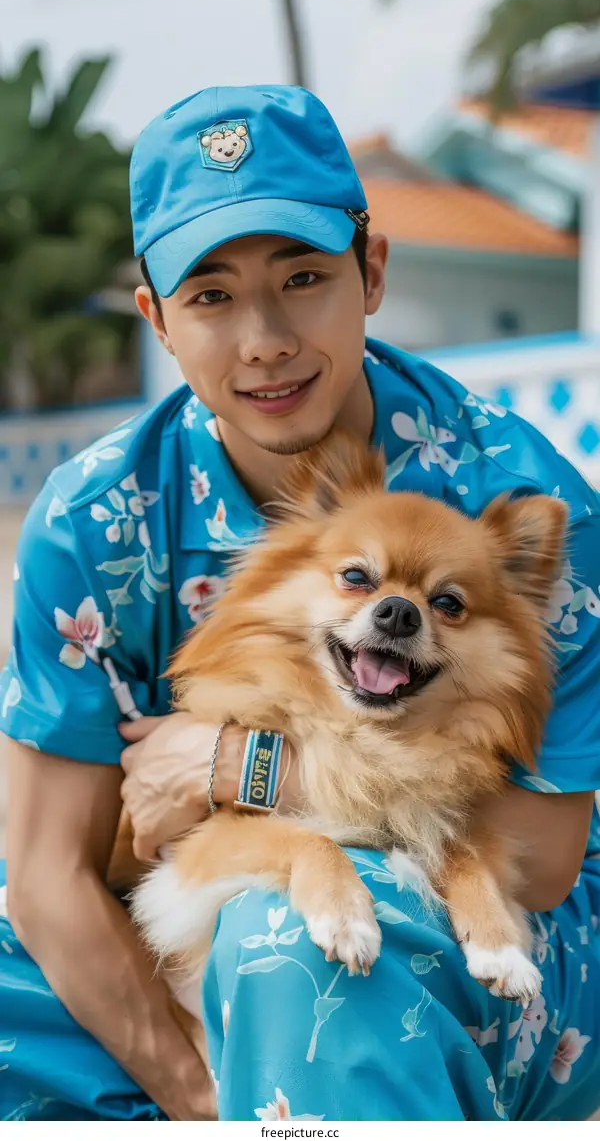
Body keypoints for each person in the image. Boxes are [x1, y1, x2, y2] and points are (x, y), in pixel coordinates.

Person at [0, 84, 599, 1123]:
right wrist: (199, 1090)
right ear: (158, 317)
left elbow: (542, 858)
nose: (264, 338)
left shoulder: (519, 490)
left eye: (304, 277)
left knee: (286, 955)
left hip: (476, 906)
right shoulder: (92, 519)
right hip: (198, 903)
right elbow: (51, 870)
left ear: (371, 272)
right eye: (212, 296)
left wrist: (241, 763)